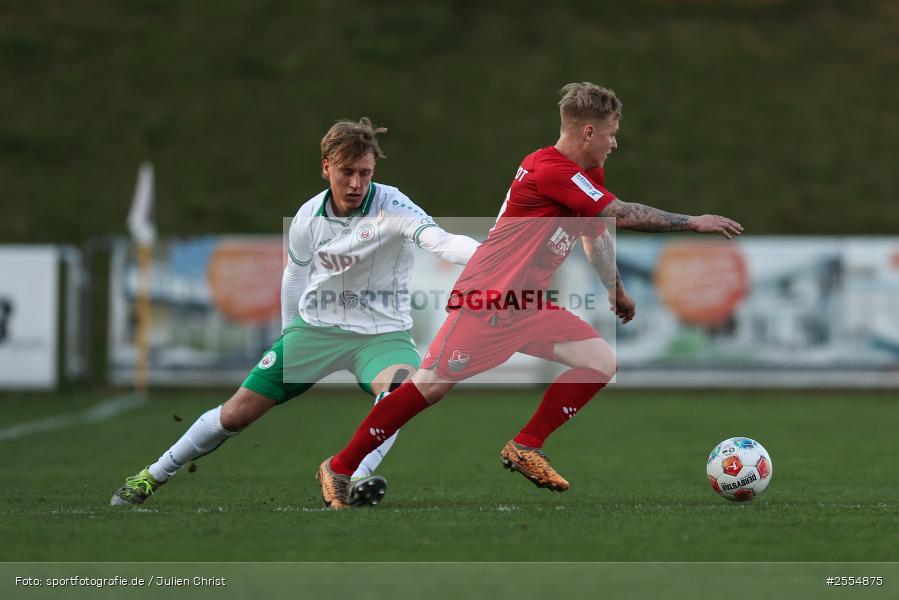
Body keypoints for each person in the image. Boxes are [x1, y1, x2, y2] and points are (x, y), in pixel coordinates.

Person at [317, 83, 743, 508]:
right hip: (488, 299)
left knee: (599, 362)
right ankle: (340, 466)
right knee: (428, 386)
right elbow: (618, 213)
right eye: (612, 133)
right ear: (589, 133)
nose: (616, 143)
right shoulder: (547, 168)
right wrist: (693, 221)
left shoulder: (587, 176)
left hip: (528, 304)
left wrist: (616, 290)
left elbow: (596, 233)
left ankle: (526, 445)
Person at [110, 118, 479, 508]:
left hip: (381, 335)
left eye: (365, 173)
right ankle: (152, 475)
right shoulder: (307, 218)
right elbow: (293, 277)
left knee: (403, 392)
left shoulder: (394, 206)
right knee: (235, 415)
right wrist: (289, 337)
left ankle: (353, 476)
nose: (356, 183)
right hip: (316, 330)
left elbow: (442, 242)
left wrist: (492, 259)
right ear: (326, 167)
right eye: (346, 172)